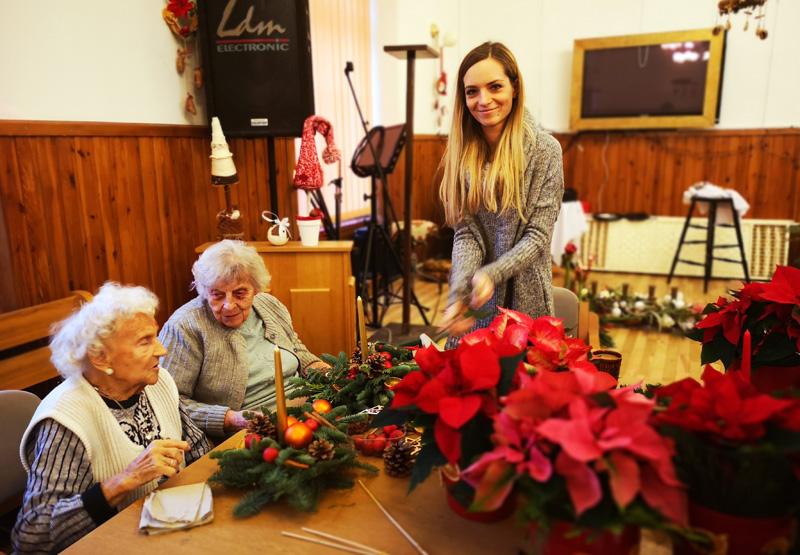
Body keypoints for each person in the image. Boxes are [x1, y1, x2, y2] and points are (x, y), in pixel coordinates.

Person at [12, 283, 210, 554]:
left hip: (169, 534)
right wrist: (125, 479)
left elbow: (200, 451)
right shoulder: (66, 418)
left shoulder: (158, 381)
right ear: (100, 357)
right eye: (145, 341)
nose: (161, 351)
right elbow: (31, 536)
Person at [438, 41, 564, 341]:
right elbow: (468, 232)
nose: (484, 100)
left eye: (495, 87)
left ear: (514, 88)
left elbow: (537, 237)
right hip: (478, 302)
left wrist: (490, 274)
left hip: (526, 297)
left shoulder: (546, 150)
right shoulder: (462, 151)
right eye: (472, 91)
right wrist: (459, 290)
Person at [159, 240, 327, 439]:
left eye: (240, 293)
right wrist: (230, 419)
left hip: (310, 410)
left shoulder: (269, 305)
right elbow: (169, 402)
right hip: (252, 433)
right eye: (217, 294)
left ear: (256, 288)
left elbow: (297, 350)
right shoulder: (184, 327)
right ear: (205, 291)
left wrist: (325, 371)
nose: (229, 305)